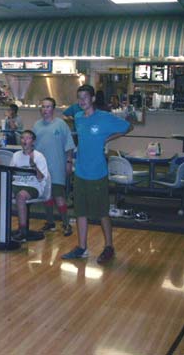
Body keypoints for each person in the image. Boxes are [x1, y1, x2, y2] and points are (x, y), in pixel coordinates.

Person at [62, 84, 133, 264]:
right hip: (81, 172)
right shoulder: (78, 116)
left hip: (98, 173)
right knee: (80, 212)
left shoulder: (105, 118)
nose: (82, 101)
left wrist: (106, 138)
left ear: (93, 99)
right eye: (79, 98)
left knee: (102, 213)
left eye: (85, 97)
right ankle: (81, 247)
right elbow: (67, 113)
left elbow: (128, 126)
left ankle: (109, 247)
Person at [33, 97, 75, 237]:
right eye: (43, 107)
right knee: (47, 196)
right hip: (42, 167)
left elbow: (69, 146)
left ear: (53, 109)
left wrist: (69, 162)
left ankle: (66, 224)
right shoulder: (36, 125)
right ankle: (50, 222)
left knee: (59, 196)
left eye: (48, 106)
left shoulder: (61, 125)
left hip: (57, 165)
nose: (45, 109)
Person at [10, 130, 49, 242]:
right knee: (4, 192)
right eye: (22, 138)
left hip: (34, 186)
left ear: (33, 141)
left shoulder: (39, 156)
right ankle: (4, 227)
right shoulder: (16, 155)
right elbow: (11, 174)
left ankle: (23, 231)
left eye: (28, 138)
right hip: (17, 183)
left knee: (21, 196)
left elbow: (41, 178)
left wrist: (33, 165)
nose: (24, 140)